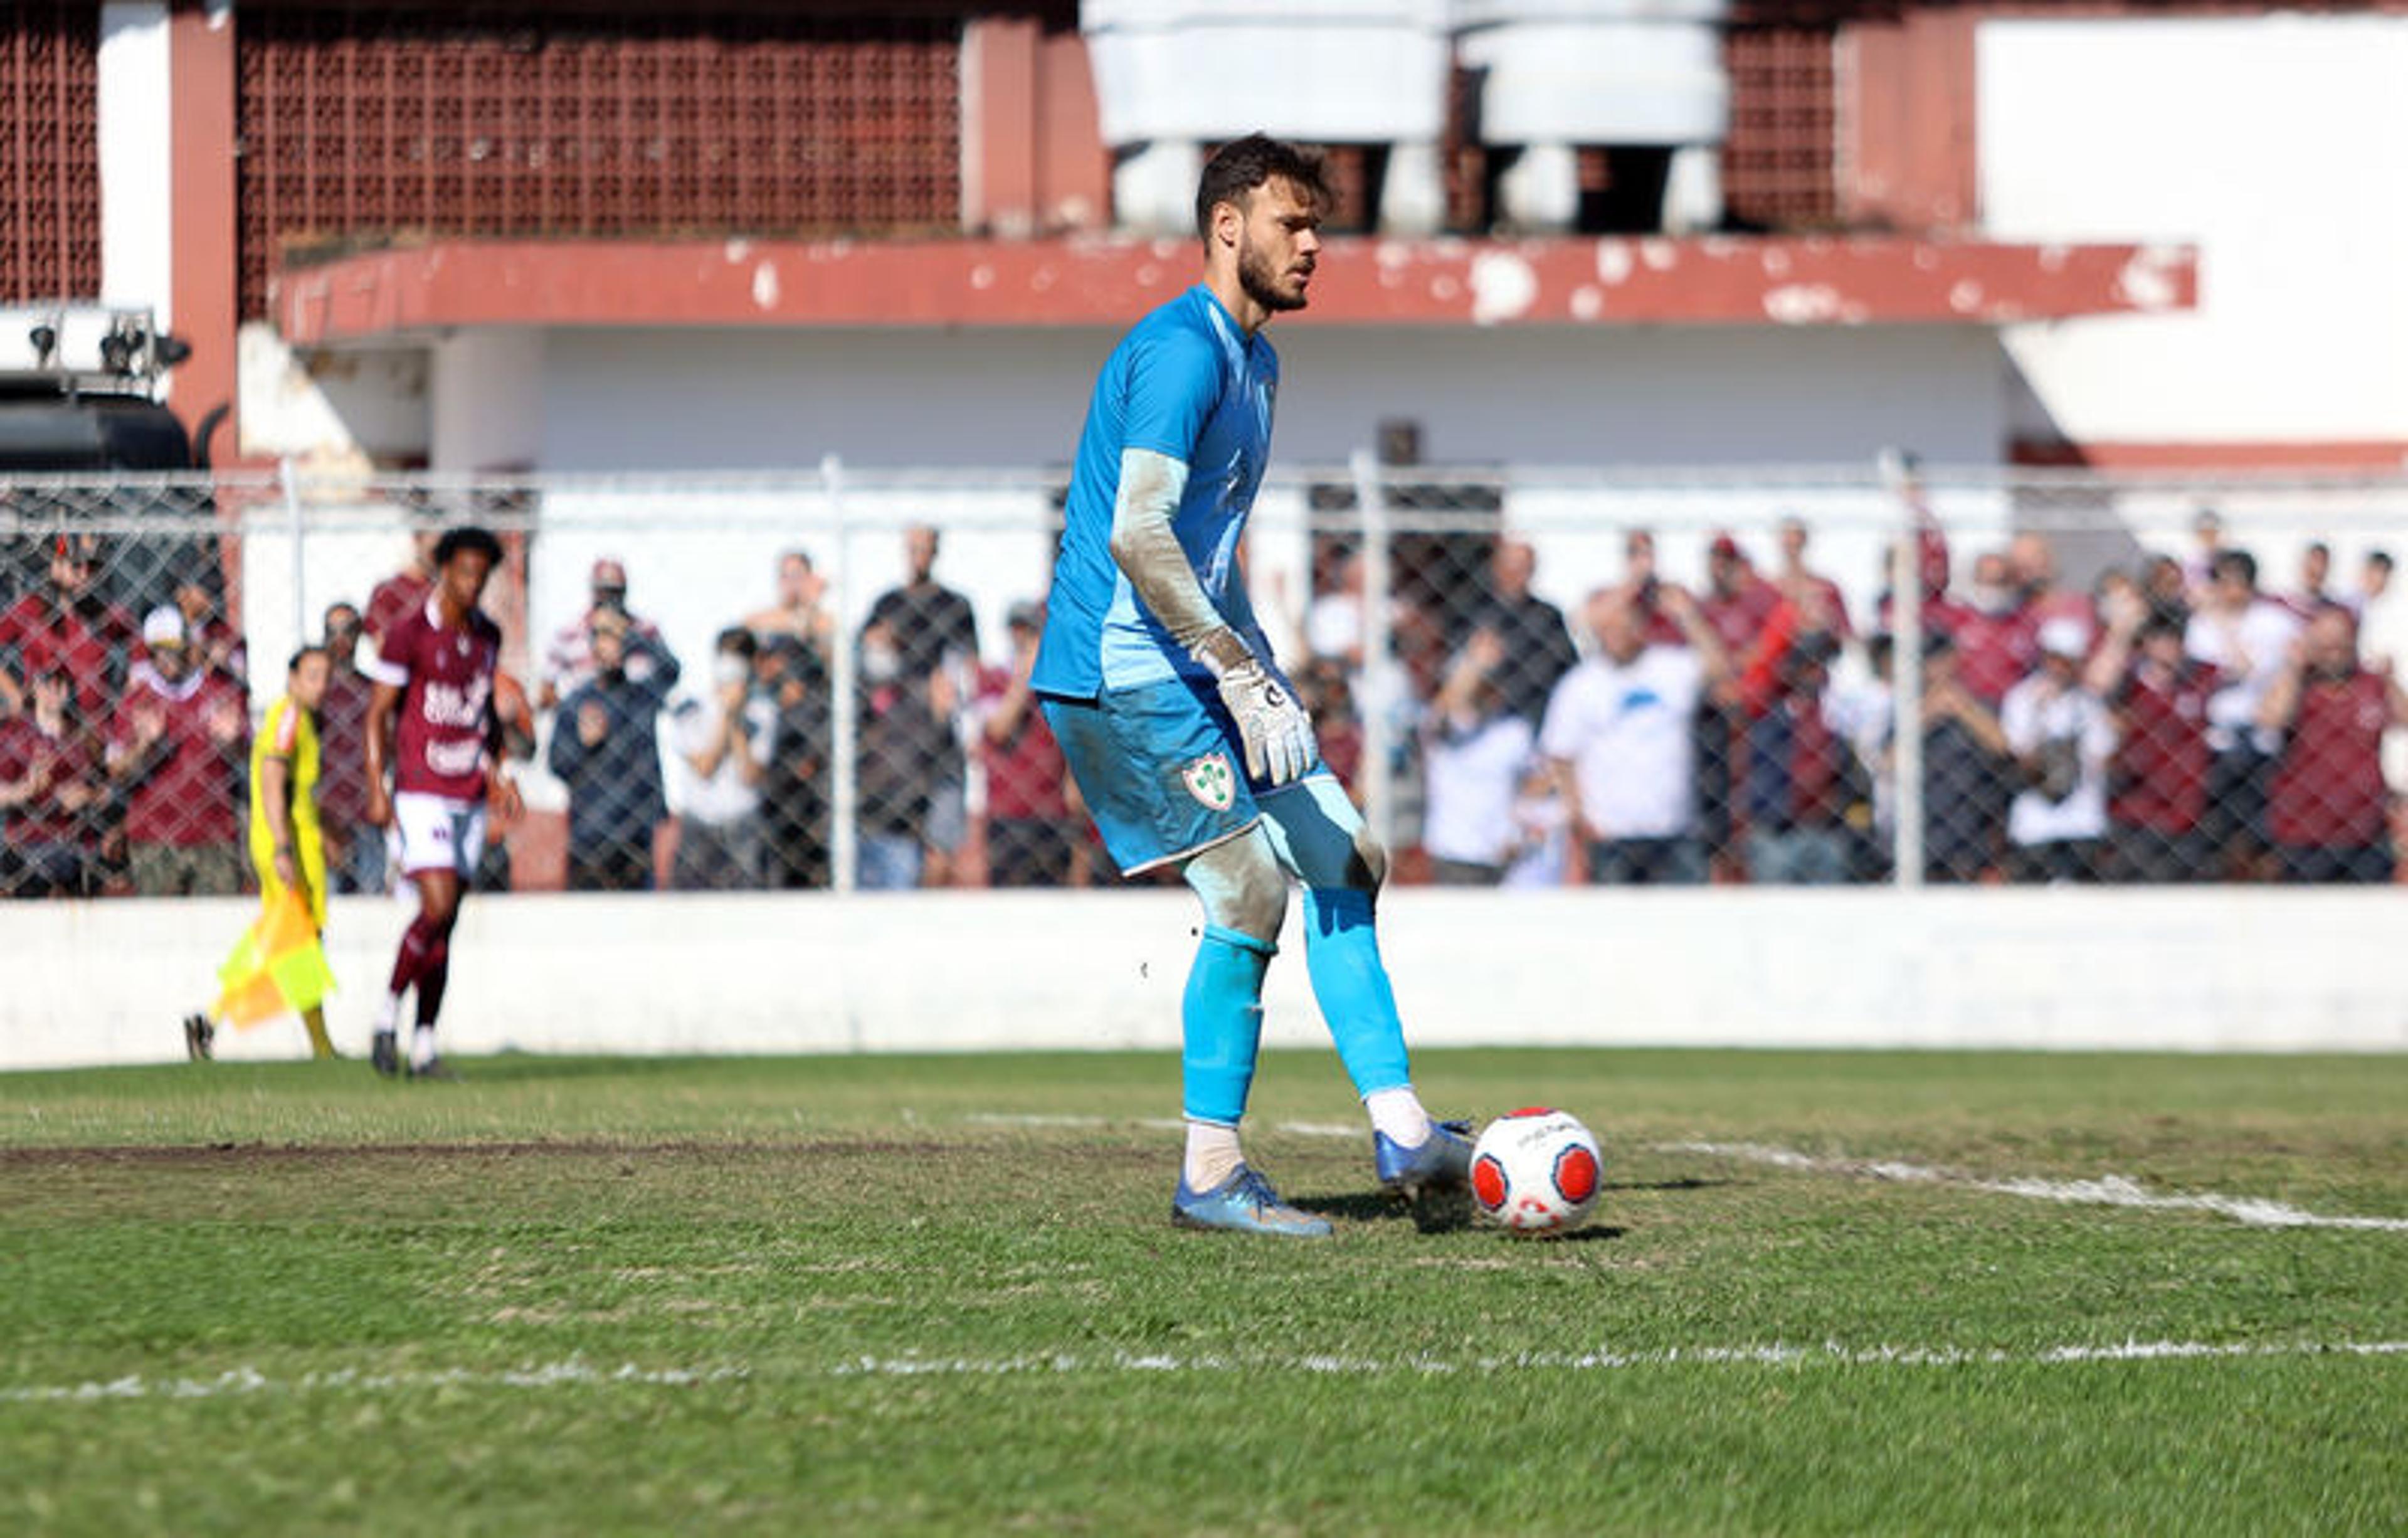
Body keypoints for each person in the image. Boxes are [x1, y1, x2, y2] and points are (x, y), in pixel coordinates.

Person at [1029, 133, 1469, 1238]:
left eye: (1317, 226)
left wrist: (1263, 674)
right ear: (1228, 228)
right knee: (1250, 892)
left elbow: (1211, 552)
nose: (1314, 246)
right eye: (1293, 225)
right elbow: (1139, 534)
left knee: (1346, 856)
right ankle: (1211, 1172)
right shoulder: (1183, 353)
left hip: (1203, 666)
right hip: (1121, 673)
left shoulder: (1259, 362)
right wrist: (1234, 668)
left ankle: (1404, 1126)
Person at [362, 526, 520, 1080]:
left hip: (469, 792)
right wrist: (377, 786)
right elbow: (378, 712)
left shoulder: (487, 637)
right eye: (464, 572)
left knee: (446, 922)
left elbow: (484, 716)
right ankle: (386, 1017)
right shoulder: (409, 633)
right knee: (437, 904)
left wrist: (502, 772)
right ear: (444, 571)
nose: (474, 583)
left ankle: (424, 1043)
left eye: (482, 574)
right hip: (421, 788)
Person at [182, 647, 341, 1063]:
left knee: (292, 940)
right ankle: (216, 1018)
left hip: (295, 842)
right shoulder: (289, 717)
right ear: (292, 678)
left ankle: (212, 1020)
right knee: (295, 940)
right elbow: (273, 780)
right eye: (312, 675)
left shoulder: (301, 718)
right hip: (284, 845)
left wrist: (322, 836)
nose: (321, 685)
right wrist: (284, 848)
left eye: (326, 676)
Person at [1539, 586, 1733, 886]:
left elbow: (1719, 668)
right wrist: (1578, 817)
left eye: (1624, 624)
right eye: (1609, 626)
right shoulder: (1580, 685)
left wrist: (1687, 616)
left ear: (1641, 626)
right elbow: (1561, 755)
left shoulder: (1670, 667)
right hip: (1611, 835)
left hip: (1674, 831)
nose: (1617, 633)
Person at [2256, 607, 2407, 883]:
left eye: (2341, 644)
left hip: (2365, 831)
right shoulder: (2299, 685)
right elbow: (2271, 719)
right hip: (2304, 832)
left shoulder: (2370, 683)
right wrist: (2293, 667)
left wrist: (2391, 680)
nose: (2334, 653)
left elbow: (2404, 719)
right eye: (2325, 646)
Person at [106, 606, 249, 896]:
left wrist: (232, 742)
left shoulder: (220, 693)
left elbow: (248, 758)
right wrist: (146, 745)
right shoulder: (137, 701)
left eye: (174, 649)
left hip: (214, 835)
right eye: (158, 651)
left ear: (189, 647)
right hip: (153, 837)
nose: (166, 658)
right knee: (159, 932)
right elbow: (116, 771)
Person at [862, 526, 978, 885]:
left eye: (925, 549)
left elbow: (969, 666)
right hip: (898, 745)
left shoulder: (955, 606)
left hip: (942, 736)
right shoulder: (888, 604)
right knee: (898, 844)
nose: (918, 555)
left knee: (941, 843)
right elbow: (868, 658)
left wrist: (951, 698)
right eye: (913, 548)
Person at [2185, 548, 2301, 879]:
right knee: (2216, 829)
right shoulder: (2201, 625)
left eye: (2238, 582)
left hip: (2263, 738)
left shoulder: (2276, 623)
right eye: (2223, 582)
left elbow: (2269, 669)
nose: (2231, 591)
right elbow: (2208, 676)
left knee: (2262, 830)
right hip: (2217, 740)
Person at [546, 610, 675, 892]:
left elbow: (671, 670)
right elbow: (557, 764)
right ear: (593, 646)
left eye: (618, 639)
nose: (611, 646)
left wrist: (637, 635)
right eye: (604, 638)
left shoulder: (642, 697)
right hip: (590, 836)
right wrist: (584, 744)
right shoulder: (576, 702)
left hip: (636, 835)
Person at [2089, 604, 2219, 883]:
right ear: (2147, 643)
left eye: (2176, 638)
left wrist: (2211, 608)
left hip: (2187, 811)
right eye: (2161, 637)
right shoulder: (2131, 682)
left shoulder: (2200, 680)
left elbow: (2245, 669)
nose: (2169, 646)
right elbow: (2097, 684)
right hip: (2135, 811)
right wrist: (2122, 633)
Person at [1418, 627, 1539, 885]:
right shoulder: (1447, 728)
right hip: (1453, 854)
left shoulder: (1515, 731)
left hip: (1503, 856)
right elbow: (1448, 706)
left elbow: (1536, 783)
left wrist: (1521, 833)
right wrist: (1476, 661)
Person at [1999, 616, 2114, 883]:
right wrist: (2040, 715)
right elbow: (2022, 757)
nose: (2059, 667)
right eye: (2054, 658)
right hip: (2035, 823)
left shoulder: (2089, 703)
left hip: (2082, 821)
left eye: (2068, 661)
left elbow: (2101, 758)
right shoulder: (2022, 698)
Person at [1741, 630, 1862, 884]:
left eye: (1822, 668)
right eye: (1809, 667)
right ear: (1792, 672)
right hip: (1779, 834)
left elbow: (1853, 777)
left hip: (1826, 831)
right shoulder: (1769, 722)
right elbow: (1760, 783)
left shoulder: (1836, 722)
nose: (1817, 675)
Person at [976, 601, 1080, 887]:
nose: (1025, 639)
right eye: (1018, 630)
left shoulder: (1057, 684)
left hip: (1052, 812)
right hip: (1007, 814)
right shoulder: (993, 678)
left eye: (1032, 632)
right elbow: (997, 728)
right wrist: (1024, 678)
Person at [668, 626, 776, 890]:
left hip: (742, 821)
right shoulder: (691, 706)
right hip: (699, 820)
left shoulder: (763, 711)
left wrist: (737, 719)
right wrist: (726, 714)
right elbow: (705, 767)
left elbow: (750, 775)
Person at [0, 531, 134, 721]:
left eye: (93, 566)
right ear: (56, 568)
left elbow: (140, 641)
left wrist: (132, 686)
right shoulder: (33, 607)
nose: (85, 574)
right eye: (77, 565)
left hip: (90, 725)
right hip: (40, 716)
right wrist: (15, 695)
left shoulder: (105, 613)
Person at [1452, 536, 1578, 728]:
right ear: (1497, 569)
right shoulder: (1476, 615)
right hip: (1486, 715)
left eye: (1525, 568)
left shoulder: (1547, 615)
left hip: (1538, 708)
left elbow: (1566, 665)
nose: (1518, 575)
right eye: (1512, 567)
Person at [0, 664, 103, 896]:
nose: (55, 692)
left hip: (76, 843)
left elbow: (106, 790)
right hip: (29, 843)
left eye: (61, 685)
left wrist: (88, 795)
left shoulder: (82, 738)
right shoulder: (13, 736)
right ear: (34, 689)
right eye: (47, 685)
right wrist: (25, 790)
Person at [541, 556, 674, 711]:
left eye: (615, 591)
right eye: (604, 590)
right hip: (587, 719)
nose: (610, 598)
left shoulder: (646, 632)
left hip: (635, 719)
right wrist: (574, 720)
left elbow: (670, 673)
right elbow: (547, 690)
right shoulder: (569, 634)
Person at [315, 602, 384, 894]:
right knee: (326, 906)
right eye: (333, 632)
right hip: (325, 815)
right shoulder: (315, 694)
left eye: (349, 631)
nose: (340, 640)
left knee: (372, 903)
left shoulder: (374, 691)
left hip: (365, 814)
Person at [757, 636, 833, 888]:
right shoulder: (767, 705)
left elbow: (808, 764)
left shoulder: (815, 707)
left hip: (810, 819)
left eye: (772, 661)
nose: (764, 669)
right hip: (775, 817)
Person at [744, 548, 837, 683]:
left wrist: (809, 607)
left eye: (797, 576)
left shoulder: (825, 621)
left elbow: (829, 656)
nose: (790, 584)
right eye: (785, 576)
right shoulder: (761, 618)